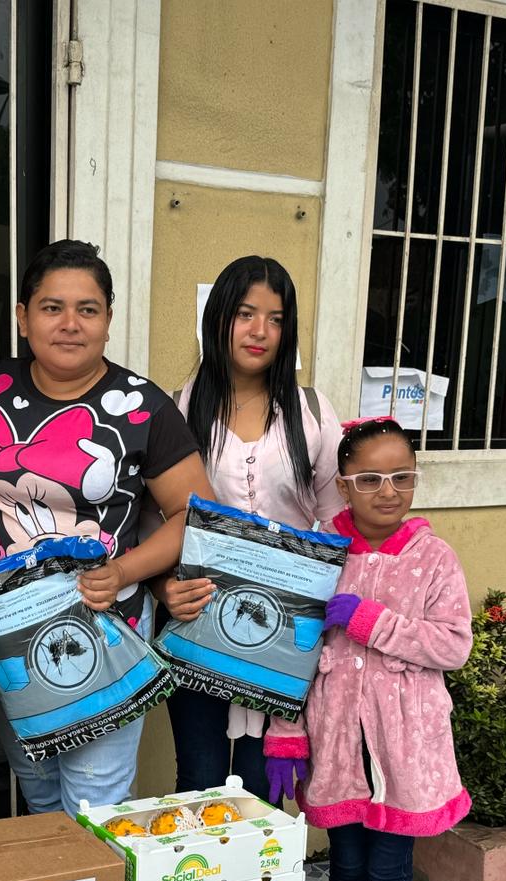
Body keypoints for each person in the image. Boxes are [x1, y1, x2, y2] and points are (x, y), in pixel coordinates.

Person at [0, 238, 211, 816]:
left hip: (104, 631)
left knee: (96, 803)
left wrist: (124, 571)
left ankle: (97, 880)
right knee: (39, 790)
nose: (70, 324)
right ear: (23, 317)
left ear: (108, 320)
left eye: (87, 309)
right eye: (52, 307)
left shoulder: (142, 406)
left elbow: (195, 515)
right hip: (4, 636)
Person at [264, 416, 472, 881]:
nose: (389, 491)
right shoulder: (321, 556)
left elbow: (453, 645)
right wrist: (286, 735)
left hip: (403, 750)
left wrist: (372, 621)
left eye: (402, 477)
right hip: (337, 743)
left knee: (388, 872)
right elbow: (291, 653)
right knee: (347, 868)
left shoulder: (435, 559)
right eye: (372, 478)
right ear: (345, 483)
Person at [155, 255, 345, 795]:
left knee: (267, 783)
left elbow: (337, 522)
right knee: (200, 777)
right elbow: (151, 522)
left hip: (286, 635)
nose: (260, 331)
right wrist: (164, 588)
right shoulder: (176, 410)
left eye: (276, 318)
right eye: (245, 314)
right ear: (217, 318)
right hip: (199, 621)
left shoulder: (312, 412)